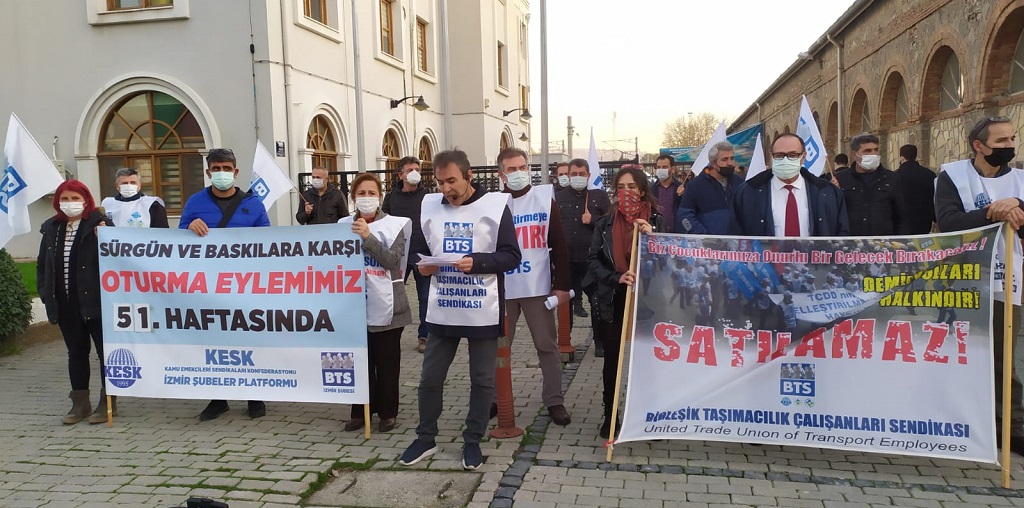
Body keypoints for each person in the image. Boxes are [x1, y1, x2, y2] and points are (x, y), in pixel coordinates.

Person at [398, 149, 521, 470]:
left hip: (482, 308)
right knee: (429, 379)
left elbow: (511, 256)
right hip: (443, 308)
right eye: (439, 182)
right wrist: (421, 265)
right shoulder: (429, 206)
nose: (445, 189)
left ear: (468, 176)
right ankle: (425, 438)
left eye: (451, 181)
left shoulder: (495, 207)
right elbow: (418, 250)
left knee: (482, 381)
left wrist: (477, 262)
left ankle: (472, 441)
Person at [935, 116, 1024, 454]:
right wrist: (994, 212)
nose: (1010, 146)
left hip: (1006, 280)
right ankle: (956, 414)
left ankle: (1011, 422)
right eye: (1001, 141)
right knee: (959, 350)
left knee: (1004, 355)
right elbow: (950, 223)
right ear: (979, 145)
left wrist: (1017, 206)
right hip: (962, 279)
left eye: (1012, 138)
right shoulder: (953, 177)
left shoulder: (1020, 181)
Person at [179, 148, 271, 421]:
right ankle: (218, 398)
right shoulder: (195, 202)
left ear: (236, 172)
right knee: (213, 341)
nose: (222, 173)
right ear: (208, 172)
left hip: (244, 286)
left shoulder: (253, 204)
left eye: (227, 168)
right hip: (207, 286)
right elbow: (177, 241)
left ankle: (255, 397)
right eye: (216, 168)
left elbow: (267, 242)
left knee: (248, 338)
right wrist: (189, 227)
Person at [584, 165, 665, 439]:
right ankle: (611, 415)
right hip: (613, 297)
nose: (626, 193)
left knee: (647, 360)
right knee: (613, 360)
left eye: (631, 187)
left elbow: (670, 259)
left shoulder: (657, 220)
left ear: (641, 190)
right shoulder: (605, 224)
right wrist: (617, 277)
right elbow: (593, 260)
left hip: (647, 299)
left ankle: (647, 413)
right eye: (621, 188)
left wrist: (651, 237)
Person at [496, 147, 572, 426]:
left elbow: (559, 243)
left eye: (522, 167)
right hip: (503, 288)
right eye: (511, 169)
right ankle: (496, 398)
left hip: (536, 285)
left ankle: (554, 400)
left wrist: (562, 285)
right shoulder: (494, 203)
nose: (518, 174)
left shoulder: (542, 198)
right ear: (501, 174)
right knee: (499, 346)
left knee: (546, 345)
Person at [37, 180, 114, 425]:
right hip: (66, 303)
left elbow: (118, 256)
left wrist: (106, 235)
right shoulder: (51, 228)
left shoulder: (99, 223)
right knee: (76, 353)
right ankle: (80, 403)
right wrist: (46, 293)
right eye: (65, 199)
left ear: (86, 199)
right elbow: (43, 264)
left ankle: (108, 402)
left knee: (105, 354)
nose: (70, 204)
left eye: (75, 198)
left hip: (96, 302)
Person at [340, 173, 412, 433]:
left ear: (380, 197)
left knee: (387, 362)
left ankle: (388, 412)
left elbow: (393, 261)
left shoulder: (395, 225)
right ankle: (361, 411)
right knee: (360, 360)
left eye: (372, 193)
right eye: (362, 193)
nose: (367, 198)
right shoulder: (342, 224)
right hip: (354, 306)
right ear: (353, 198)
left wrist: (368, 238)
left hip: (389, 305)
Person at [734, 133, 849, 237]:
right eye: (779, 155)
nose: (785, 160)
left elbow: (841, 234)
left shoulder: (827, 192)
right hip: (766, 259)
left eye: (793, 155)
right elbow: (735, 236)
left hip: (813, 259)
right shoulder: (748, 192)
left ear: (803, 157)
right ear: (771, 156)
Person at [554, 158, 612, 344]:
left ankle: (600, 341)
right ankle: (564, 341)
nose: (578, 177)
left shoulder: (599, 197)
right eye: (574, 174)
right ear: (568, 175)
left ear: (588, 176)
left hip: (591, 260)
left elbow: (610, 224)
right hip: (566, 260)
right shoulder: (558, 197)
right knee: (565, 303)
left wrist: (593, 219)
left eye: (581, 174)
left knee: (596, 301)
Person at [382, 156, 431, 353]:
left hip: (423, 255)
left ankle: (424, 336)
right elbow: (383, 224)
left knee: (425, 298)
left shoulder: (428, 197)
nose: (415, 173)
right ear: (400, 174)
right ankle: (390, 335)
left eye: (417, 169)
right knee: (392, 296)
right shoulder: (391, 198)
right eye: (410, 169)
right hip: (399, 257)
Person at [835, 133, 908, 236]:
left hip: (883, 244)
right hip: (851, 244)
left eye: (876, 150)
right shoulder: (840, 179)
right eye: (867, 151)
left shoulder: (891, 178)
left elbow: (900, 215)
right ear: (854, 154)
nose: (873, 154)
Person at [677, 141, 743, 235]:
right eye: (724, 159)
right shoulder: (695, 186)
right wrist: (704, 236)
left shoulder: (740, 183)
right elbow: (684, 215)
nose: (730, 163)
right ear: (713, 163)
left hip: (737, 246)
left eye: (732, 158)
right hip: (709, 247)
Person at [100, 167, 169, 228]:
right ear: (117, 186)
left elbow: (162, 232)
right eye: (125, 183)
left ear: (139, 185)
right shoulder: (107, 204)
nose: (129, 185)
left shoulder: (153, 204)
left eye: (133, 183)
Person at [896, 144, 937, 234]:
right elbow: (934, 198)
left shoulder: (894, 176)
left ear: (901, 158)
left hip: (901, 223)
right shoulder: (929, 174)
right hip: (923, 222)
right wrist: (936, 219)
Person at [651, 155, 682, 231]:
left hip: (676, 233)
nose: (661, 170)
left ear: (673, 169)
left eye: (664, 167)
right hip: (657, 232)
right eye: (658, 167)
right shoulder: (650, 189)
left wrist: (683, 195)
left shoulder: (682, 188)